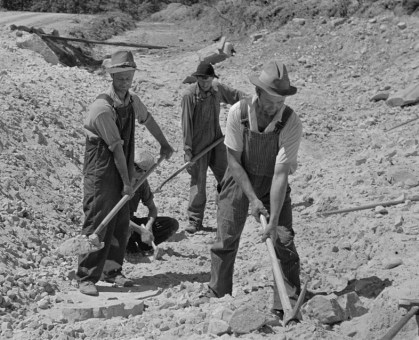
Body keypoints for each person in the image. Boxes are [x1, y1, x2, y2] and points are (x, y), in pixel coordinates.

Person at [207, 61, 303, 319]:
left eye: (279, 102)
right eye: (269, 100)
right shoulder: (238, 113)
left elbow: (281, 173)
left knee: (283, 239)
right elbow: (234, 161)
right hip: (239, 178)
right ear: (257, 93)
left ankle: (287, 303)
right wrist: (252, 199)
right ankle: (219, 295)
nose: (273, 108)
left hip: (273, 180)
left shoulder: (291, 122)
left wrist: (272, 219)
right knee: (226, 237)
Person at [77, 50, 174, 296]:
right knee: (98, 219)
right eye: (120, 77)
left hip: (121, 163)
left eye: (128, 76)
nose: (124, 81)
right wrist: (127, 183)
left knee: (120, 220)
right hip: (101, 168)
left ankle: (113, 270)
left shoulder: (131, 101)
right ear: (112, 76)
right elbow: (117, 149)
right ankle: (86, 276)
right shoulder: (102, 108)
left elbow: (148, 119)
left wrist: (164, 144)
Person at [181, 61, 247, 233]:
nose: (204, 83)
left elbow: (237, 96)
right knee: (198, 183)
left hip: (216, 142)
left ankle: (230, 211)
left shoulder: (217, 89)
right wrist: (188, 150)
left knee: (227, 176)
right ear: (196, 79)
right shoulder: (189, 96)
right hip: (198, 147)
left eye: (207, 79)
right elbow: (186, 123)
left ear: (212, 78)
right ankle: (195, 220)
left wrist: (254, 102)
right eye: (201, 80)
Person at [126, 149, 179, 256]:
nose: (142, 174)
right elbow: (117, 216)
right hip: (118, 224)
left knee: (171, 224)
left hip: (132, 222)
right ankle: (128, 248)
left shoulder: (141, 183)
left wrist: (148, 226)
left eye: (145, 172)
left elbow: (152, 209)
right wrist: (140, 230)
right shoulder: (117, 181)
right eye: (139, 170)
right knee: (125, 229)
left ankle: (144, 244)